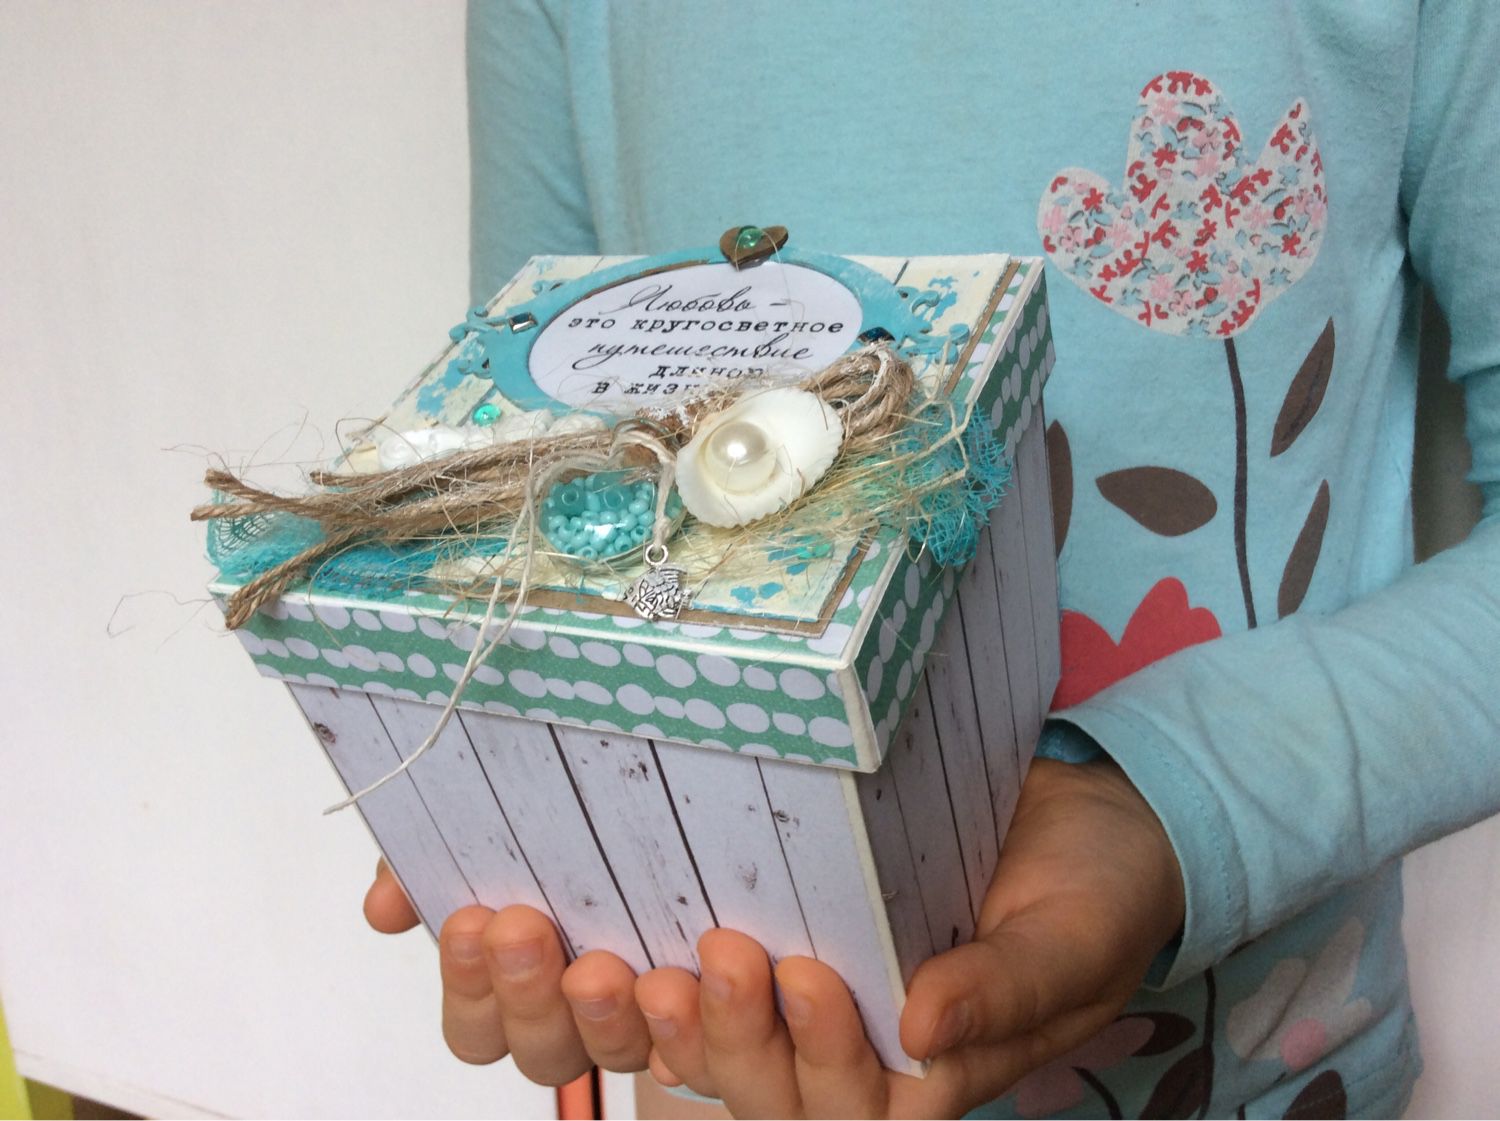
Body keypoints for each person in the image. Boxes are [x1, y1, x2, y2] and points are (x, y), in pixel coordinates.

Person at [364, 2, 1500, 1116]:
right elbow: (531, 461)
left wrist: (1176, 803)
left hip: (1257, 1071)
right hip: (726, 1052)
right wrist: (529, 793)